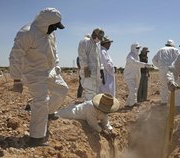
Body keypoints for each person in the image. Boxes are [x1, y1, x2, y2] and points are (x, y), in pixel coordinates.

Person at [9, 8, 69, 146]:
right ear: (46, 23)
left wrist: (56, 66)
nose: (55, 29)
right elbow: (15, 56)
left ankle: (49, 112)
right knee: (41, 101)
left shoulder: (50, 33)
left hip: (50, 70)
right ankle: (36, 138)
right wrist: (16, 79)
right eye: (54, 26)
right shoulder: (27, 33)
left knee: (62, 90)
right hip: (33, 72)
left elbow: (55, 50)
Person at [55, 93, 119, 137]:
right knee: (57, 115)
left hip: (81, 113)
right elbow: (92, 123)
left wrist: (110, 130)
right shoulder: (90, 107)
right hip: (73, 113)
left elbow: (105, 121)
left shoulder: (105, 111)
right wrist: (101, 131)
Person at [78, 28, 105, 101]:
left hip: (96, 72)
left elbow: (99, 58)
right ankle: (88, 109)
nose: (99, 40)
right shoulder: (84, 42)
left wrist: (101, 70)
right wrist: (86, 71)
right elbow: (82, 58)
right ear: (94, 34)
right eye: (98, 38)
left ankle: (92, 108)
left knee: (96, 92)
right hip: (88, 72)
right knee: (90, 92)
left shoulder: (97, 44)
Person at [123, 42, 153, 107]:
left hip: (136, 75)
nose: (138, 49)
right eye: (137, 48)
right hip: (129, 76)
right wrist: (145, 65)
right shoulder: (130, 56)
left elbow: (137, 64)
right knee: (133, 89)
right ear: (133, 48)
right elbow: (135, 63)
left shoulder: (136, 56)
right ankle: (132, 104)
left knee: (134, 89)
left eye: (139, 48)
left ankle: (129, 103)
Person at [152, 40, 180, 105]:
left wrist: (159, 66)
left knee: (163, 85)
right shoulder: (176, 50)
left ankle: (164, 102)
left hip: (162, 70)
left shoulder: (161, 50)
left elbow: (153, 60)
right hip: (172, 69)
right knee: (175, 84)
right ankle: (176, 103)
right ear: (173, 45)